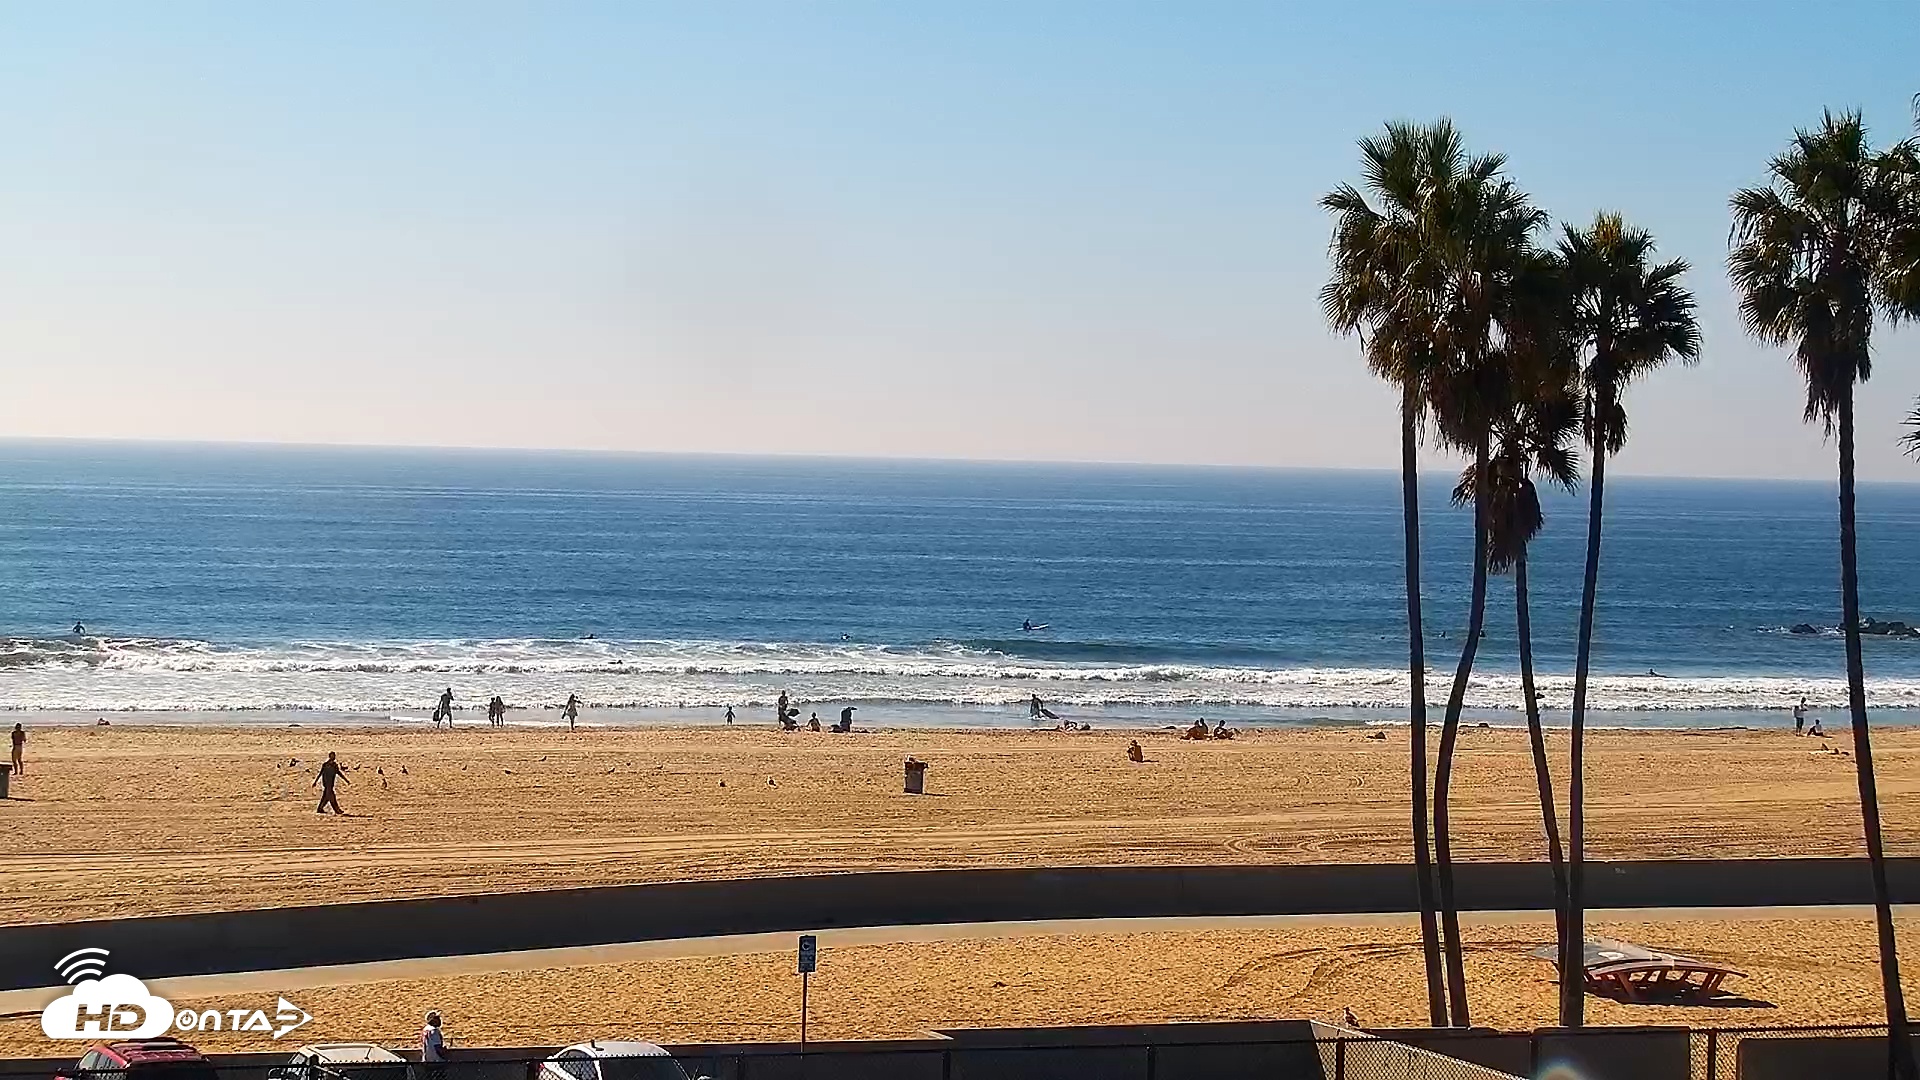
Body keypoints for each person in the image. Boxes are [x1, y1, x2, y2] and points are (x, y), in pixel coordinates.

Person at [420, 1011, 448, 1080]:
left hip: (427, 1060)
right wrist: (444, 1051)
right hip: (436, 1061)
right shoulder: (434, 1031)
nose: (440, 1020)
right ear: (433, 1021)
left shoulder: (425, 1029)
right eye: (437, 1018)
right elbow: (437, 1048)